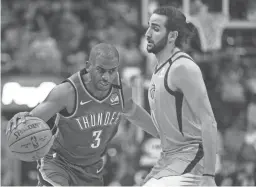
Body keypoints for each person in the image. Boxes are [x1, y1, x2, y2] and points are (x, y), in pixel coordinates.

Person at [6, 43, 160, 186]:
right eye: (101, 70)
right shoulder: (67, 92)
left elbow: (133, 112)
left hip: (92, 168)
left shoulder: (121, 91)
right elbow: (31, 122)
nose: (106, 77)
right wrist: (23, 121)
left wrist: (165, 136)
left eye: (112, 71)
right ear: (88, 66)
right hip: (58, 162)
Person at [143, 6, 217, 186]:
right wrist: (129, 110)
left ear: (172, 36)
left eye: (156, 28)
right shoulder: (159, 68)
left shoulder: (182, 67)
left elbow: (209, 120)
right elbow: (161, 127)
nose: (147, 33)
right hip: (168, 156)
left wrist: (209, 175)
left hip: (191, 154)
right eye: (149, 26)